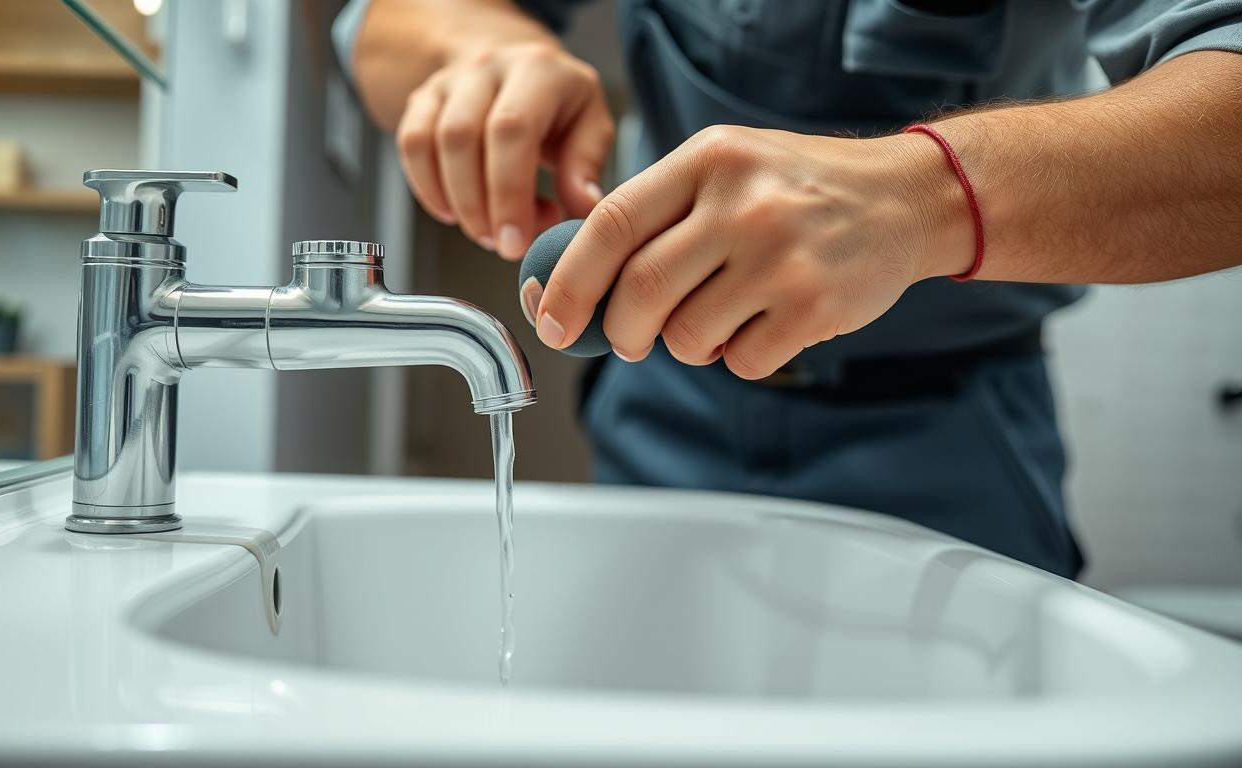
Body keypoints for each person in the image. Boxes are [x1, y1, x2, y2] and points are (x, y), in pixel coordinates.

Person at [335, 0, 1242, 579]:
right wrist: (484, 50)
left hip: (953, 433)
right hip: (661, 413)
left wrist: (923, 197)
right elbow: (381, 22)